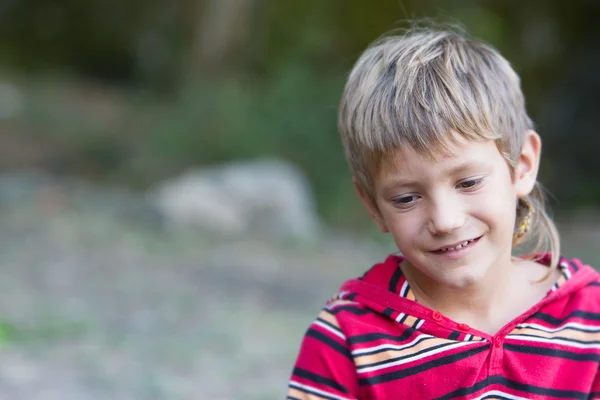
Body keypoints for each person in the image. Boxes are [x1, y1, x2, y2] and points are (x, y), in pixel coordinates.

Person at [286, 26, 600, 399]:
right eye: (406, 199)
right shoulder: (346, 340)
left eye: (468, 183)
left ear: (523, 165)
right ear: (372, 204)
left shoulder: (590, 317)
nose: (445, 220)